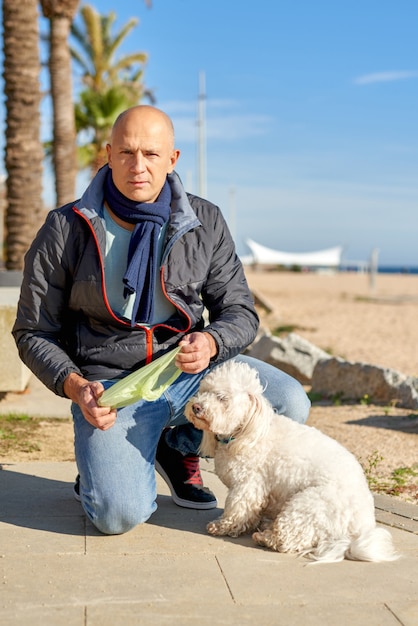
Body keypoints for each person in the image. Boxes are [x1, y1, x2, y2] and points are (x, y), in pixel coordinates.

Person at [13, 105, 310, 535]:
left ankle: (178, 443)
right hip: (111, 384)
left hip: (189, 371)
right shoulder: (65, 227)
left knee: (289, 400)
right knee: (116, 516)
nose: (138, 166)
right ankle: (100, 472)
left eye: (151, 154)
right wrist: (77, 387)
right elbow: (33, 331)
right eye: (127, 153)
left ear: (172, 159)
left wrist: (210, 343)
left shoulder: (204, 220)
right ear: (108, 154)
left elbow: (240, 312)